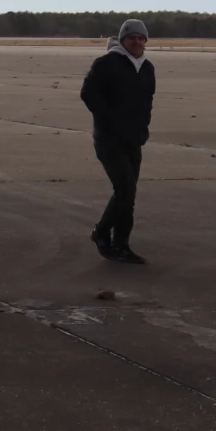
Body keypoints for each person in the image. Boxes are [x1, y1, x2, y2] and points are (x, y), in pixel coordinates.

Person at [80, 18, 155, 264]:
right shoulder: (106, 63)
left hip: (133, 140)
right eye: (131, 37)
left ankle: (121, 245)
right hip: (109, 140)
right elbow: (88, 94)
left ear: (145, 41)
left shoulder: (147, 68)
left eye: (140, 38)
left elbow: (147, 102)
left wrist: (143, 128)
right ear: (123, 39)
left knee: (127, 195)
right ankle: (102, 232)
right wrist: (110, 122)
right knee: (125, 189)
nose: (136, 41)